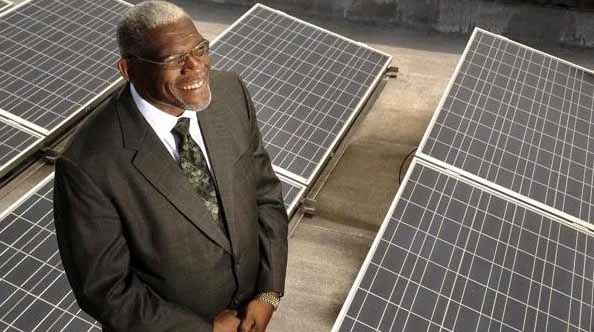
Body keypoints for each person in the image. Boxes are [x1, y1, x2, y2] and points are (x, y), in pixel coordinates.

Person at [52, 1, 288, 332]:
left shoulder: (230, 92)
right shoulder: (88, 164)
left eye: (200, 49)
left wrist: (269, 292)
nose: (196, 67)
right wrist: (205, 330)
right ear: (128, 69)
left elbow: (265, 194)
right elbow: (106, 291)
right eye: (172, 59)